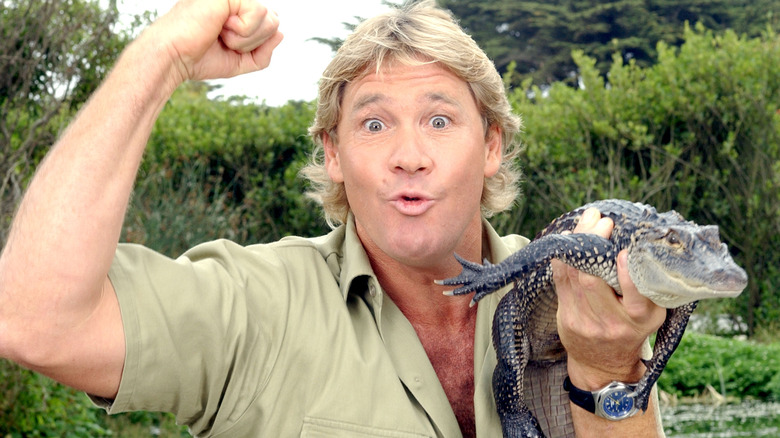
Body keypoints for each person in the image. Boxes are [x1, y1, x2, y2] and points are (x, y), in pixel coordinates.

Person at [0, 0, 667, 436]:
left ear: (490, 145)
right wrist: (161, 56)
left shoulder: (571, 286)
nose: (409, 156)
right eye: (373, 123)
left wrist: (605, 366)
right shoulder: (255, 308)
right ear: (335, 153)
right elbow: (33, 321)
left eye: (440, 119)